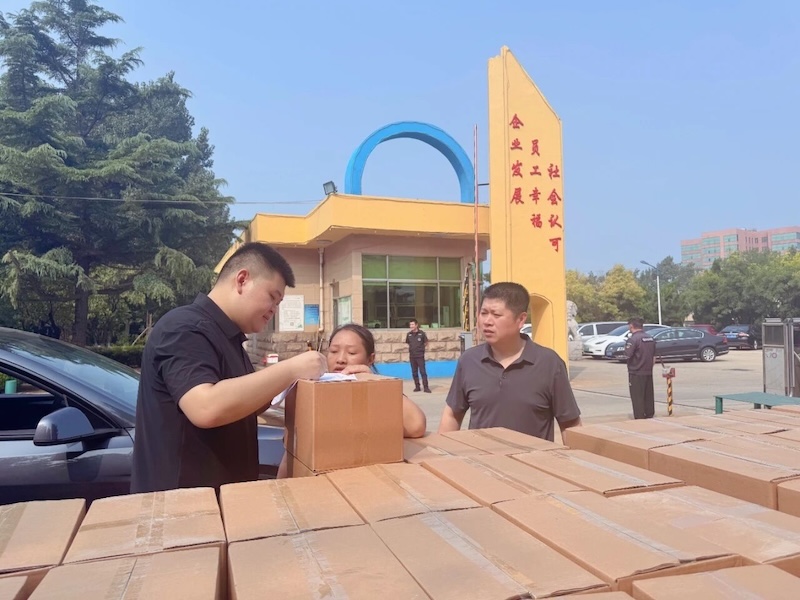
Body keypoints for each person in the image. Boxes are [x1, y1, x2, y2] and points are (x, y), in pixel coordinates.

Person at [131, 242, 327, 493]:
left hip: (221, 503)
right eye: (272, 297)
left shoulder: (229, 339)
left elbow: (245, 402)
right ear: (242, 280)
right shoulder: (185, 328)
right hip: (181, 507)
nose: (274, 310)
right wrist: (291, 369)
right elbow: (205, 407)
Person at [276, 323, 427, 477]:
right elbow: (291, 454)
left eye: (352, 352)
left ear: (371, 359)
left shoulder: (377, 394)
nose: (340, 359)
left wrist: (370, 382)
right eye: (334, 351)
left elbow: (416, 425)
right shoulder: (310, 392)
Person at [438, 282, 582, 441]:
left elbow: (570, 424)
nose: (487, 321)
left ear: (520, 319)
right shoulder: (469, 361)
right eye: (484, 313)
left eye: (496, 315)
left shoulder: (549, 363)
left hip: (533, 457)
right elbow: (452, 415)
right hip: (481, 457)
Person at [624, 317, 656, 419]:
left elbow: (627, 355)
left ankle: (639, 417)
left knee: (637, 396)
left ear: (631, 326)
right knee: (648, 395)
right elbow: (654, 357)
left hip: (636, 372)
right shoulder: (650, 338)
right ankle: (649, 414)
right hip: (648, 371)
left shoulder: (633, 339)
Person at [406, 318, 431, 393]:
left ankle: (426, 387)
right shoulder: (409, 334)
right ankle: (417, 387)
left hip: (420, 356)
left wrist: (421, 349)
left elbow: (426, 343)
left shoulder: (422, 333)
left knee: (423, 372)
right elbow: (408, 343)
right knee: (414, 372)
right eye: (410, 325)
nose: (411, 326)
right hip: (412, 356)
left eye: (413, 324)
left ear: (416, 325)